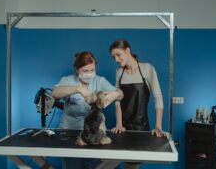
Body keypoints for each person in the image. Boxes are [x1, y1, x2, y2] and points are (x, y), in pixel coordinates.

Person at [52, 51, 123, 169]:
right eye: (85, 71)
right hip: (71, 133)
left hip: (95, 134)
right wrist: (77, 89)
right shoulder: (68, 80)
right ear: (77, 69)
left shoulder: (100, 81)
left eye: (92, 70)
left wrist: (115, 95)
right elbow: (55, 93)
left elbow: (121, 94)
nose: (90, 74)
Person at [109, 39, 164, 169]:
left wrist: (158, 126)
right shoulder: (119, 72)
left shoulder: (147, 69)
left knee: (132, 165)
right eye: (113, 57)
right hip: (123, 128)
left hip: (141, 128)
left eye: (118, 55)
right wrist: (118, 124)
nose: (116, 59)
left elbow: (158, 97)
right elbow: (117, 100)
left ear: (127, 51)